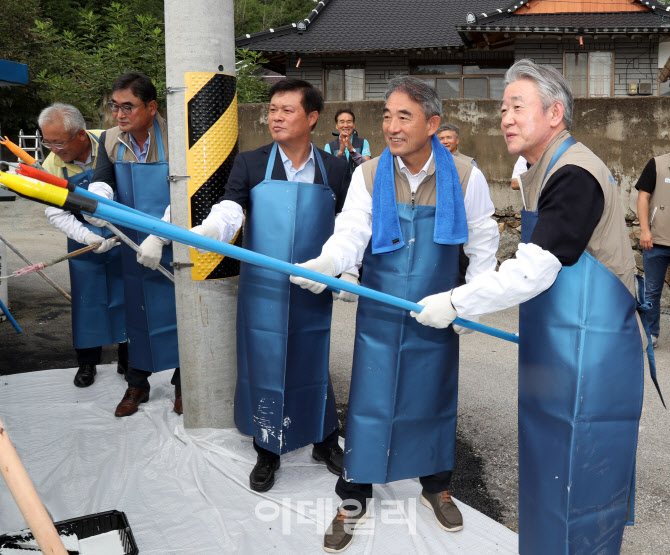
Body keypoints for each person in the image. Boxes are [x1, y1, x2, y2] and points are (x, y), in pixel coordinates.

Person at [412, 60, 644, 554]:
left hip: (593, 359)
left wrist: (457, 302)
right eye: (502, 108)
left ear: (555, 112)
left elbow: (532, 270)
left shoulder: (575, 173)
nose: (505, 118)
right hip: (558, 350)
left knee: (582, 483)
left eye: (518, 107)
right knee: (549, 473)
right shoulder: (536, 168)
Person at [291, 76, 499, 552]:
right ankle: (353, 494)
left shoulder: (465, 175)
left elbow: (483, 240)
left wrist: (470, 300)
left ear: (432, 122)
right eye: (386, 115)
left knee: (432, 396)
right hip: (382, 311)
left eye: (403, 116)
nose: (390, 125)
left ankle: (435, 485)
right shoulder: (369, 174)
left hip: (436, 308)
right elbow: (351, 232)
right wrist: (329, 262)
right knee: (370, 400)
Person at [190, 79, 351, 493]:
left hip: (313, 282)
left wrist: (346, 270)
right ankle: (267, 449)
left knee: (314, 356)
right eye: (273, 109)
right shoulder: (250, 161)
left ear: (312, 118)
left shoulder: (335, 168)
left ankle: (323, 439)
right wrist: (212, 227)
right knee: (264, 360)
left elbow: (350, 226)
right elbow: (231, 207)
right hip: (264, 285)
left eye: (287, 110)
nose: (275, 117)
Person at [85, 73, 182, 417]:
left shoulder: (179, 137)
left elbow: (185, 196)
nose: (119, 114)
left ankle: (184, 384)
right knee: (138, 310)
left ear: (152, 107)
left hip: (177, 238)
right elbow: (102, 181)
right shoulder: (110, 139)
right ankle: (137, 382)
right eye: (115, 106)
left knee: (180, 310)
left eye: (129, 106)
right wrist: (99, 205)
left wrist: (160, 236)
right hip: (131, 242)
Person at [39, 103, 127, 388]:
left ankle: (130, 357)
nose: (53, 149)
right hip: (83, 238)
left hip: (124, 234)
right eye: (47, 141)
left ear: (80, 135)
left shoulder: (113, 142)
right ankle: (87, 362)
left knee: (128, 296)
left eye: (59, 142)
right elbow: (55, 212)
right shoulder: (52, 165)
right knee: (87, 302)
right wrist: (86, 236)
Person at [635, 153, 670, 347]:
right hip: (656, 241)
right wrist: (645, 230)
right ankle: (651, 334)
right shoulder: (657, 164)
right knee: (652, 292)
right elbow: (643, 197)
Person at [324, 109, 371, 176]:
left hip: (358, 184)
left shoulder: (363, 142)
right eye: (342, 122)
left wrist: (353, 151)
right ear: (337, 126)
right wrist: (340, 153)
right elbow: (329, 169)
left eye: (349, 122)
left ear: (354, 125)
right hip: (338, 185)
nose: (345, 125)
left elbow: (367, 166)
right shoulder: (329, 146)